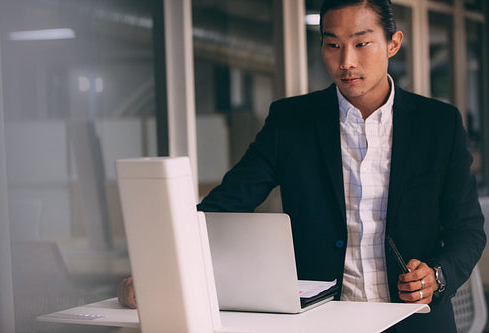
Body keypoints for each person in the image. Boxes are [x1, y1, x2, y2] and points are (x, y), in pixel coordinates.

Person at [118, 0, 486, 331]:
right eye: (332, 45)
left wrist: (437, 275)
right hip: (322, 321)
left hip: (412, 320)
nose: (346, 62)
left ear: (393, 43)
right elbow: (225, 204)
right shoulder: (291, 122)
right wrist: (158, 271)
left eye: (361, 43)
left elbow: (468, 229)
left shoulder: (438, 124)